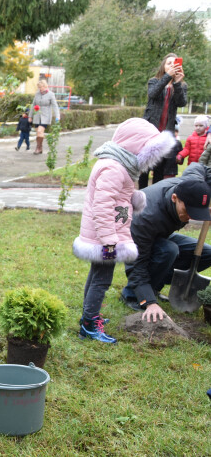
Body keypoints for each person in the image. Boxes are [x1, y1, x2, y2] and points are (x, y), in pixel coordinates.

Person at [72, 118, 175, 343]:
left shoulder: (118, 165)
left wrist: (134, 199)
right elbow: (102, 205)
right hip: (106, 239)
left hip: (104, 236)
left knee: (97, 274)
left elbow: (115, 197)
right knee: (102, 278)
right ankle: (89, 325)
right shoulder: (114, 168)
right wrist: (110, 242)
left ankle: (89, 315)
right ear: (135, 147)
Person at [121, 163, 211, 322]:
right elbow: (136, 263)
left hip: (159, 233)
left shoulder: (191, 183)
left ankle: (154, 283)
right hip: (131, 237)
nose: (191, 217)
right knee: (169, 250)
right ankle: (134, 295)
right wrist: (148, 302)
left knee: (207, 253)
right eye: (188, 212)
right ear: (175, 198)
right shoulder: (146, 217)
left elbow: (199, 167)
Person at [140, 53, 187, 189]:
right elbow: (153, 94)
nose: (172, 66)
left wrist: (177, 83)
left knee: (160, 168)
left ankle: (155, 196)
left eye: (175, 63)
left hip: (165, 132)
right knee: (145, 167)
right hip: (150, 131)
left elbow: (181, 103)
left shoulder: (181, 85)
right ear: (163, 66)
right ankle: (142, 194)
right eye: (169, 63)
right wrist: (167, 77)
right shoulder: (154, 81)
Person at [28, 80, 60, 155]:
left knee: (40, 131)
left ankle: (38, 148)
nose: (40, 89)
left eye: (41, 87)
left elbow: (55, 106)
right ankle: (40, 147)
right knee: (38, 133)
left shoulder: (51, 94)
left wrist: (57, 115)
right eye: (38, 87)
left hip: (46, 116)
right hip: (37, 115)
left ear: (45, 86)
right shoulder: (37, 94)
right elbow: (33, 105)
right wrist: (30, 116)